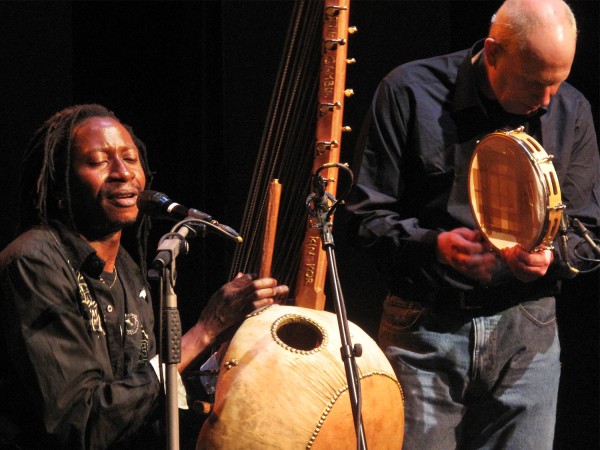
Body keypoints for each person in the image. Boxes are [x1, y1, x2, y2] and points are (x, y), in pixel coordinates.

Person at [344, 0, 600, 448]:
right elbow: (364, 217)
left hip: (528, 333)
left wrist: (550, 256)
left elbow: (588, 232)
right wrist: (434, 246)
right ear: (494, 53)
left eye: (557, 84)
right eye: (535, 83)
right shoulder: (410, 91)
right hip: (425, 330)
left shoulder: (571, 109)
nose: (545, 102)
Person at [0, 104, 289, 449]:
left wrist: (226, 343)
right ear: (59, 186)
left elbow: (142, 392)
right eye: (98, 161)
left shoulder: (126, 269)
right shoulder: (33, 262)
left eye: (130, 158)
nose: (123, 173)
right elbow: (81, 424)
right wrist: (204, 330)